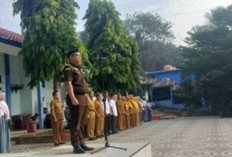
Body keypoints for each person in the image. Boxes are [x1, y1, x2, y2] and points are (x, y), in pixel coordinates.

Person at [63, 47, 93, 154]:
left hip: (83, 97)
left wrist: (88, 97)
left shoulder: (79, 69)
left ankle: (82, 143)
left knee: (82, 122)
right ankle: (75, 145)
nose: (79, 57)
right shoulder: (68, 68)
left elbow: (84, 85)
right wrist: (72, 97)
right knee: (75, 122)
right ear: (70, 57)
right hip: (76, 97)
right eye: (77, 55)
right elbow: (68, 83)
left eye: (80, 55)